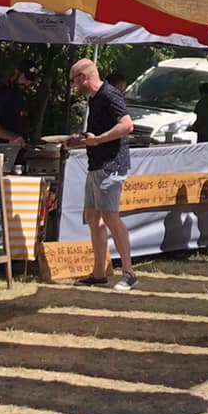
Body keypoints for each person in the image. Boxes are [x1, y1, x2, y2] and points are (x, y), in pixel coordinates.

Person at [66, 57, 137, 290]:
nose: (73, 86)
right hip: (96, 164)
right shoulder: (94, 98)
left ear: (83, 77)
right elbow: (96, 134)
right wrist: (80, 141)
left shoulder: (109, 95)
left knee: (110, 217)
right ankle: (99, 273)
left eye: (73, 81)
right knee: (92, 217)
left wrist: (98, 140)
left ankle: (129, 273)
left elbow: (127, 125)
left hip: (111, 165)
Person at [0, 64, 31, 147]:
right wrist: (13, 137)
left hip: (20, 149)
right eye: (26, 77)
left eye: (31, 80)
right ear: (16, 72)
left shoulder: (25, 97)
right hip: (0, 148)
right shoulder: (1, 93)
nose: (27, 82)